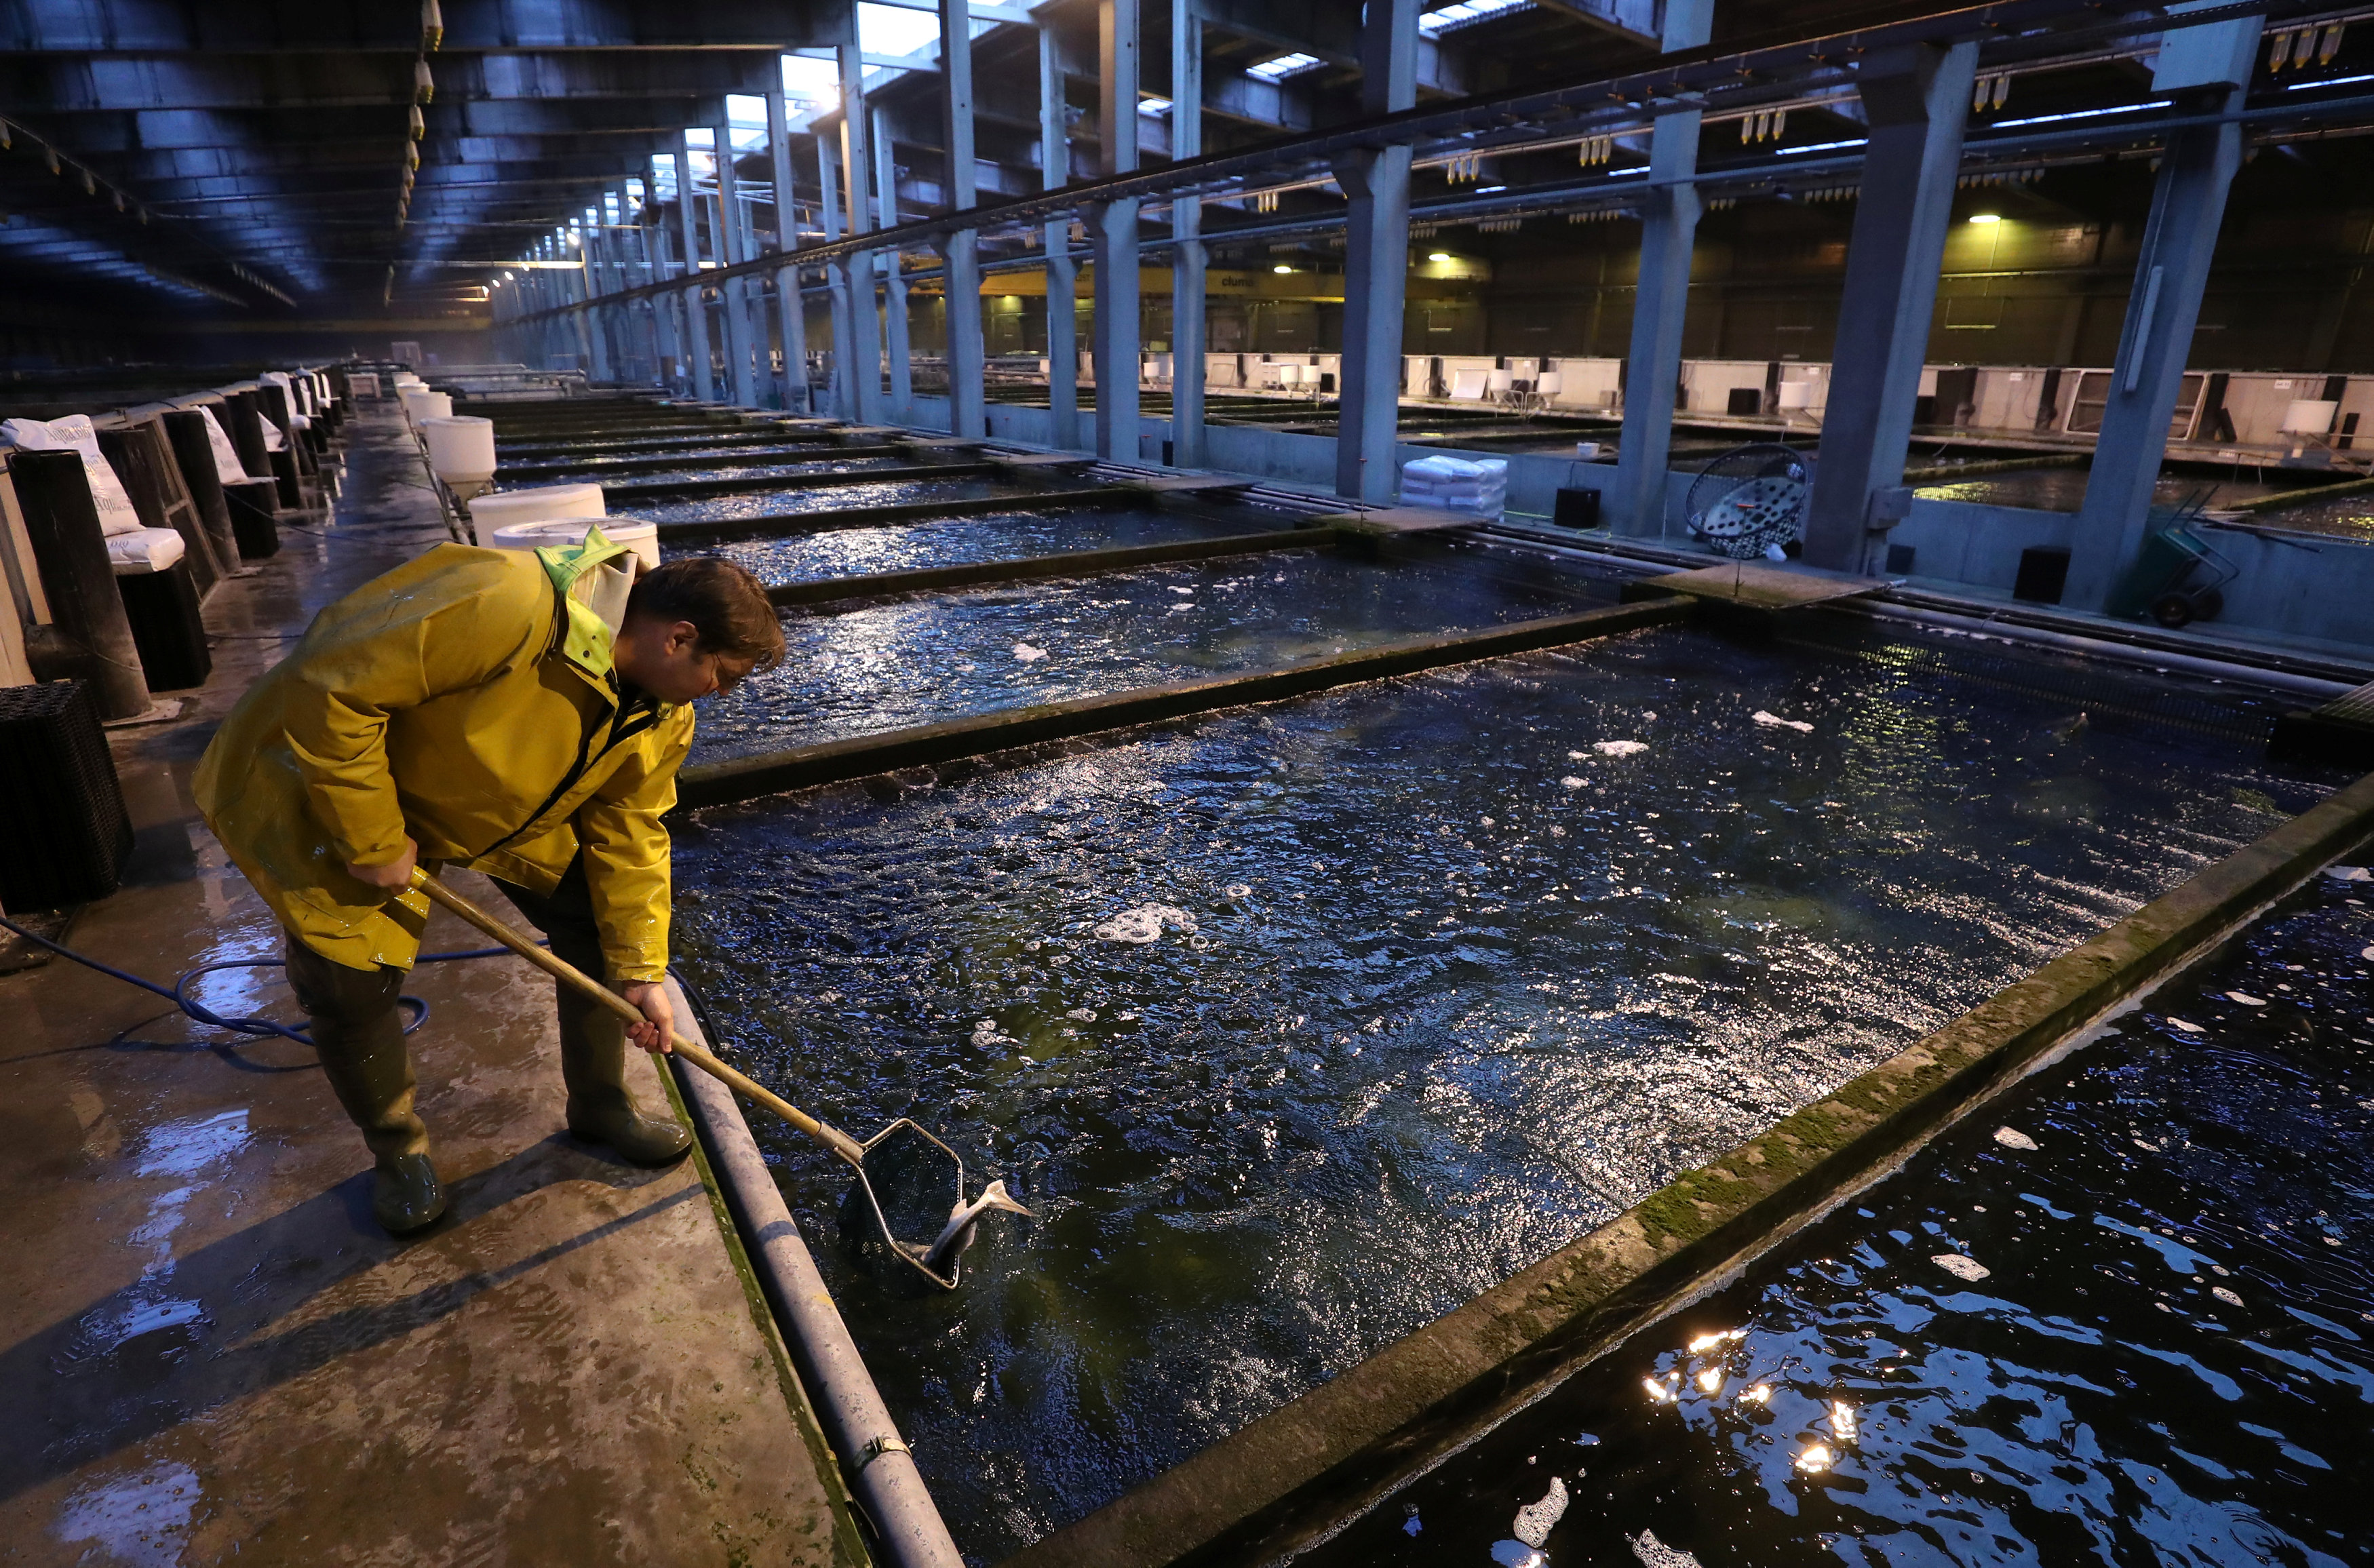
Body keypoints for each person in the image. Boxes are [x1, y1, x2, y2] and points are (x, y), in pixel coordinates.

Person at [195, 530, 785, 1234]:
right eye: (724, 673)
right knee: (348, 984)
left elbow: (630, 835)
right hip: (337, 782)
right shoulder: (505, 600)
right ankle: (398, 1151)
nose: (719, 692)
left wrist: (640, 970)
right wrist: (372, 836)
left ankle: (600, 1106)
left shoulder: (662, 715)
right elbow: (330, 687)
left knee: (598, 930)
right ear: (677, 637)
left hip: (505, 801)